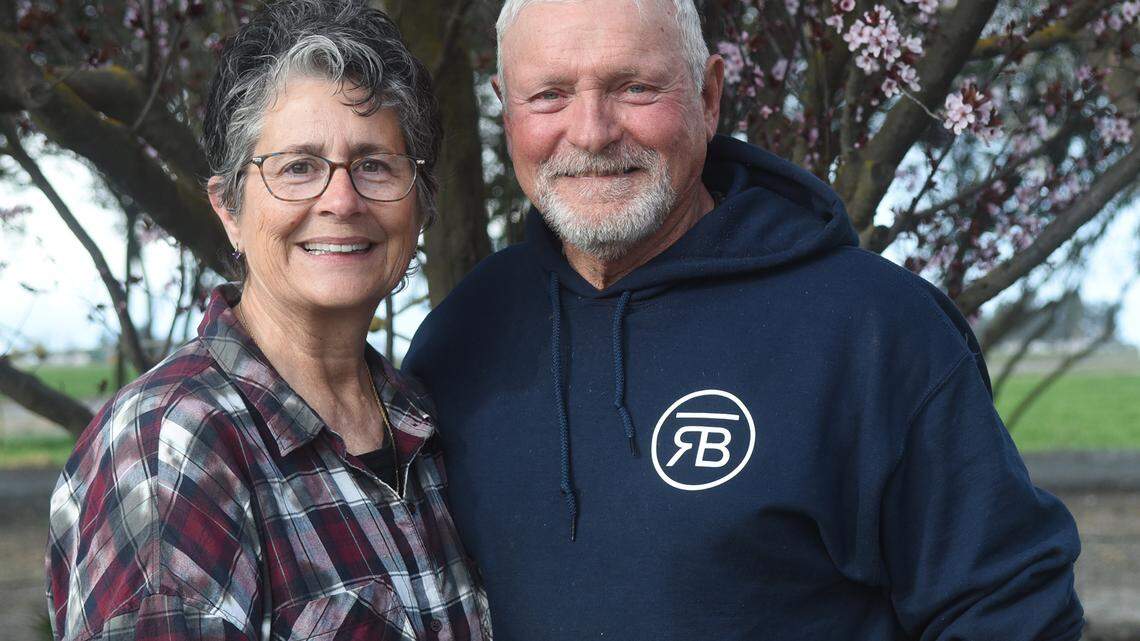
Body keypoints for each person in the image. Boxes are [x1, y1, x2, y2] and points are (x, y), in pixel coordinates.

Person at [402, 0, 1084, 639]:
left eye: (634, 87)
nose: (591, 131)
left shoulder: (873, 330)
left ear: (708, 95)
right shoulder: (464, 337)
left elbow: (1011, 612)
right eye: (548, 94)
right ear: (504, 107)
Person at [45, 2, 489, 639]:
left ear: (421, 206)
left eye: (375, 165)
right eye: (298, 167)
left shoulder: (421, 418)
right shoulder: (173, 446)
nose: (341, 200)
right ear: (228, 207)